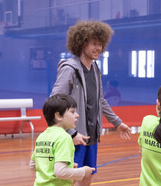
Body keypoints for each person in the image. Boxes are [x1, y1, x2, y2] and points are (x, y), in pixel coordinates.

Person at [50, 20, 131, 186]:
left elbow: (100, 99)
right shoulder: (69, 69)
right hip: (73, 137)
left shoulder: (95, 69)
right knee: (69, 179)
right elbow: (54, 102)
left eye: (101, 44)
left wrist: (117, 123)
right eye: (94, 43)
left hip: (91, 135)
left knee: (88, 176)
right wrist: (71, 133)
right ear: (81, 43)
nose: (98, 49)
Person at [30, 94, 95, 186]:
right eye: (72, 112)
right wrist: (83, 171)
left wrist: (63, 165)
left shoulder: (42, 136)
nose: (77, 115)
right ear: (58, 116)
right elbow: (60, 172)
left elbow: (33, 165)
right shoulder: (64, 137)